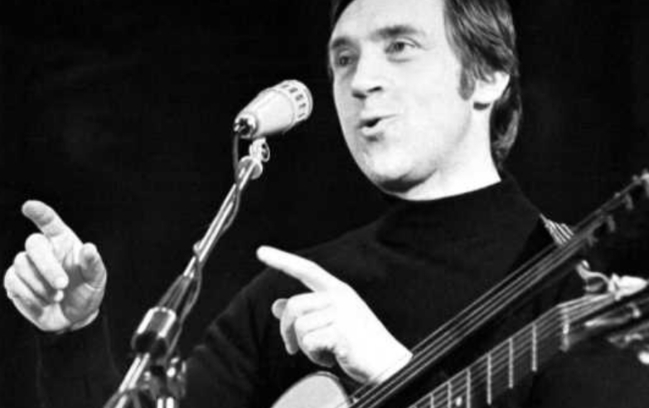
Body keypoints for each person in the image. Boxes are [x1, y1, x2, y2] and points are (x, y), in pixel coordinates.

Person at [4, 0, 649, 407]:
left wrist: (394, 373)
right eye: (344, 58)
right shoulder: (291, 294)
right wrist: (72, 335)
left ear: (487, 75)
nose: (361, 80)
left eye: (399, 45)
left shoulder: (581, 288)